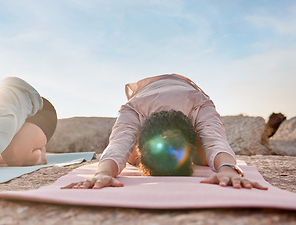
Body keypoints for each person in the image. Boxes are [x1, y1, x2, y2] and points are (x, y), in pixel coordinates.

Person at [63, 74, 267, 190]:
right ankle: (149, 154)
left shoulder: (200, 105)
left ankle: (161, 153)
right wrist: (104, 173)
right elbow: (118, 144)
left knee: (206, 157)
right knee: (128, 156)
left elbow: (215, 140)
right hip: (150, 95)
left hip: (186, 93)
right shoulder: (134, 109)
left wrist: (227, 169)